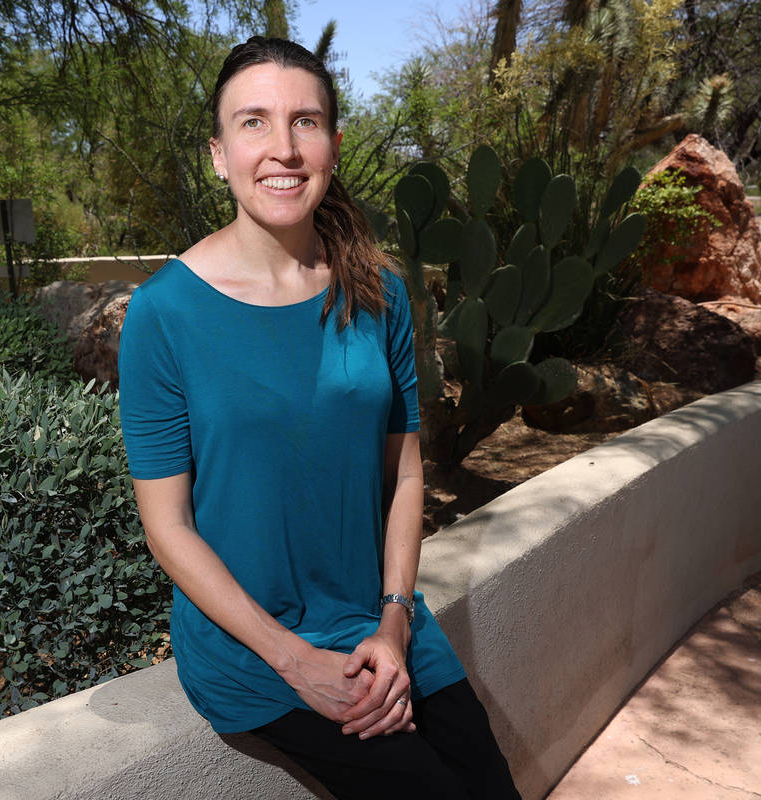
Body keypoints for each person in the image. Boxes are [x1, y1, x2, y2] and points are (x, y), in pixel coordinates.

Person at [117, 36, 521, 800]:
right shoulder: (163, 313)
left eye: (305, 121)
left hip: (382, 622)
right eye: (254, 122)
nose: (284, 148)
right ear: (218, 154)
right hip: (255, 651)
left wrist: (394, 623)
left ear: (332, 146)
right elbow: (167, 527)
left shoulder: (378, 292)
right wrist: (297, 662)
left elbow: (405, 474)